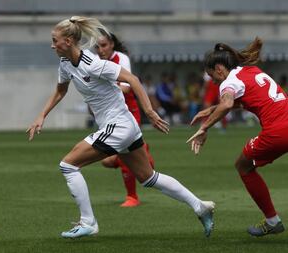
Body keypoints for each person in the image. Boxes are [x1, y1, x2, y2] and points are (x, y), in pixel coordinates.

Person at [27, 16, 215, 239]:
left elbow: (133, 80)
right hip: (124, 126)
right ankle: (200, 206)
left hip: (118, 126)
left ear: (68, 41)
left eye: (54, 40)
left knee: (68, 165)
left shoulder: (93, 64)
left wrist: (150, 112)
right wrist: (41, 115)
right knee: (148, 177)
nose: (51, 44)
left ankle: (88, 222)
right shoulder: (66, 64)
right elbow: (61, 90)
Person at [187, 37, 287, 237]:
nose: (213, 81)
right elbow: (247, 99)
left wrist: (204, 128)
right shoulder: (251, 71)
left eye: (212, 76)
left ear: (219, 69)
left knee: (243, 166)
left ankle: (272, 221)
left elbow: (227, 104)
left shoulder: (229, 82)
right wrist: (212, 109)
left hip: (278, 131)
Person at [95, 31, 155, 207]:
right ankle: (143, 151)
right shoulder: (96, 62)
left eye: (104, 45)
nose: (100, 50)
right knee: (106, 161)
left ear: (112, 44)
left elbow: (128, 88)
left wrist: (103, 89)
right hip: (108, 115)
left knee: (122, 154)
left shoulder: (121, 59)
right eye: (97, 46)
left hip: (128, 113)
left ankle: (132, 197)